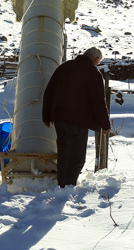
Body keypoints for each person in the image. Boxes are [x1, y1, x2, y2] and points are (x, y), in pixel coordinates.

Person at [42, 47, 111, 188]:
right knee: (77, 157)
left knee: (64, 153)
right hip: (78, 120)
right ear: (96, 59)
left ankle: (62, 184)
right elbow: (98, 101)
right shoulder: (93, 73)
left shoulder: (64, 67)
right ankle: (68, 185)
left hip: (59, 118)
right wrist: (105, 124)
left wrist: (46, 116)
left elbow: (49, 92)